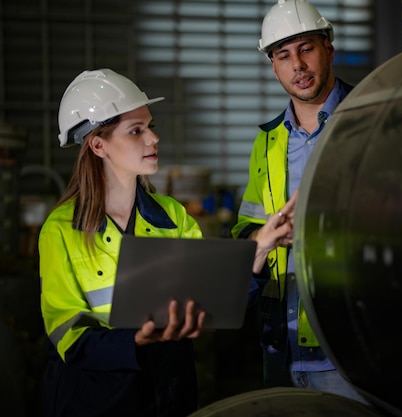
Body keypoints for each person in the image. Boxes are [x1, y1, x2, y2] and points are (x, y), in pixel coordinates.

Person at [39, 68, 296, 417]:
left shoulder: (172, 216)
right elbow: (68, 336)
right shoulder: (62, 229)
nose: (153, 139)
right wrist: (135, 340)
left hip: (168, 393)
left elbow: (216, 298)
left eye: (150, 126)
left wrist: (260, 248)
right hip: (96, 400)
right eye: (136, 131)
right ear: (99, 145)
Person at [231, 0, 367, 404]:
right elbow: (245, 233)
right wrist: (266, 236)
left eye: (306, 49)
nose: (298, 66)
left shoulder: (370, 121)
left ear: (329, 47)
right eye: (284, 56)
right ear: (273, 66)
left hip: (351, 346)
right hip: (282, 345)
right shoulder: (267, 141)